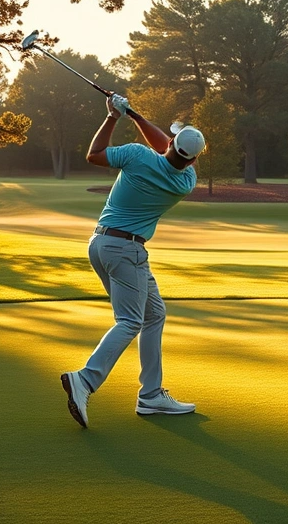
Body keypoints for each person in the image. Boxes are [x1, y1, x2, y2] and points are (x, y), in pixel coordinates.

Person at [60, 94, 205, 428]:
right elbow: (171, 150)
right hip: (127, 251)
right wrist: (136, 117)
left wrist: (115, 116)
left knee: (153, 314)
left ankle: (151, 395)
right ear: (193, 159)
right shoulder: (185, 182)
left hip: (101, 244)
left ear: (170, 144)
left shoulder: (137, 155)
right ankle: (86, 379)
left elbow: (94, 154)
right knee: (130, 321)